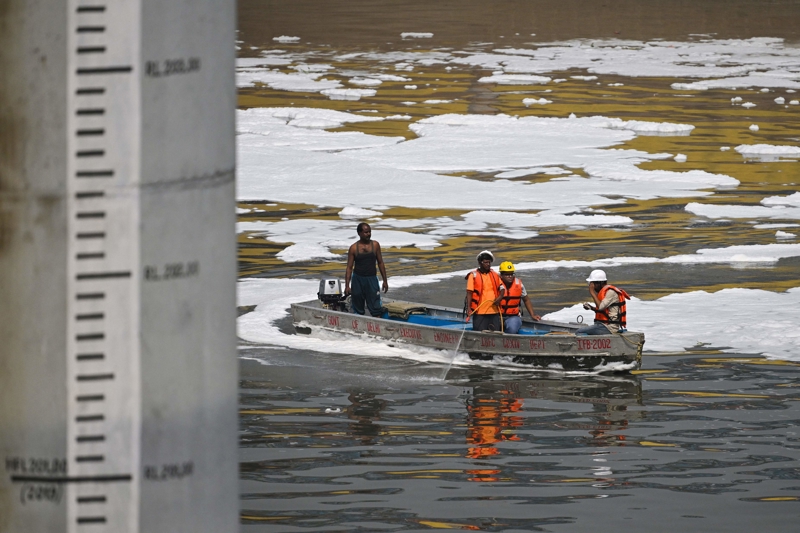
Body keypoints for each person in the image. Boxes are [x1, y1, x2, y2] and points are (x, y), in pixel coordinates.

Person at [345, 222, 388, 317]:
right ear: (359, 233)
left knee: (375, 306)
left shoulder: (375, 245)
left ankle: (378, 325)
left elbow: (380, 263)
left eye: (369, 232)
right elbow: (349, 267)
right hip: (358, 279)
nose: (368, 234)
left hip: (371, 279)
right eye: (366, 232)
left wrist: (385, 281)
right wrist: (347, 286)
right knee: (357, 306)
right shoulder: (353, 248)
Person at [576, 269, 630, 335]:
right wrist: (591, 308)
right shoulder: (605, 292)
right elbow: (603, 310)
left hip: (609, 328)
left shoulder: (610, 292)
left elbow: (601, 307)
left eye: (593, 284)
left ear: (600, 283)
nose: (592, 286)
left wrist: (592, 292)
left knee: (579, 332)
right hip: (602, 325)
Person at [494, 261, 541, 334]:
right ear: (501, 275)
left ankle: (508, 340)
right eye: (507, 274)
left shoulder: (519, 284)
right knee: (491, 329)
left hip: (513, 316)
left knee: (512, 329)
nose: (510, 276)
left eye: (511, 274)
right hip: (496, 316)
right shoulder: (495, 283)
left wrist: (532, 314)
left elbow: (526, 300)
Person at [464, 250, 503, 331]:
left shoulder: (494, 274)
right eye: (485, 262)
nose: (488, 264)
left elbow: (502, 288)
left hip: (494, 311)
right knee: (480, 333)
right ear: (480, 263)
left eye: (489, 262)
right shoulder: (473, 275)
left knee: (495, 333)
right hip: (479, 311)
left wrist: (500, 297)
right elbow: (469, 292)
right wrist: (469, 309)